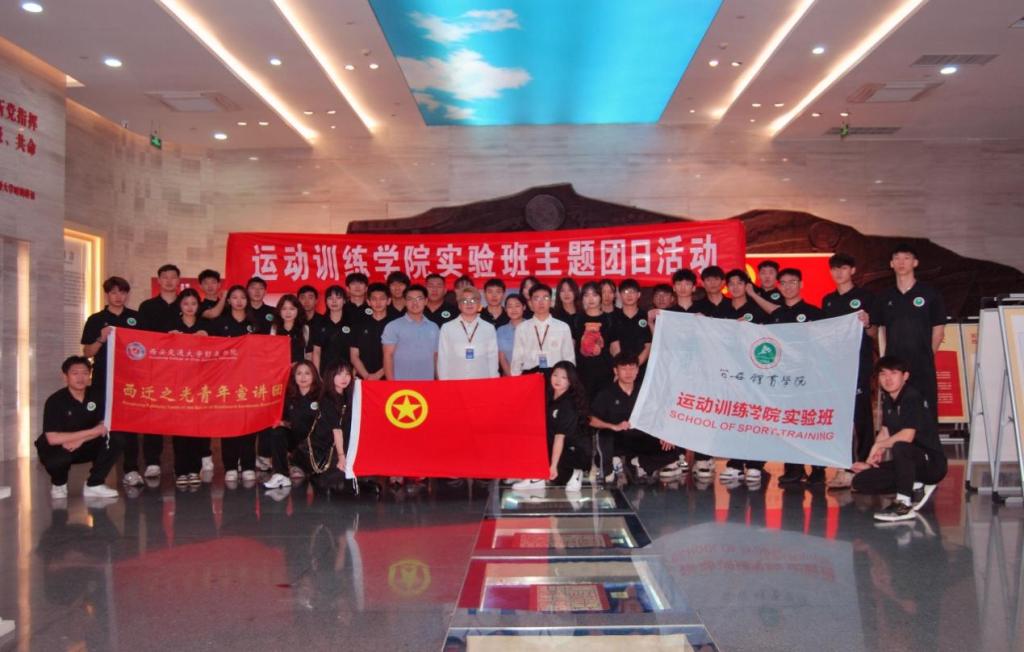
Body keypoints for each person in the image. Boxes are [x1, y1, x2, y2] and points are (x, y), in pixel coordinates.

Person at [852, 356, 948, 522]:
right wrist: (870, 461)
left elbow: (907, 436)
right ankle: (916, 485)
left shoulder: (912, 397)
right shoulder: (889, 399)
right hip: (908, 462)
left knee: (901, 446)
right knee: (861, 481)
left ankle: (904, 504)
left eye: (894, 373)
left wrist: (878, 446)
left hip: (931, 464)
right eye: (883, 374)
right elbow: (885, 431)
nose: (888, 379)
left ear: (905, 376)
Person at [870, 243, 946, 419]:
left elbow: (938, 330)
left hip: (922, 365)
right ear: (891, 264)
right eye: (897, 258)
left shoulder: (930, 293)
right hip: (894, 367)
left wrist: (927, 356)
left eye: (906, 258)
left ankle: (927, 439)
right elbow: (874, 331)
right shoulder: (884, 296)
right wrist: (867, 324)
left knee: (925, 412)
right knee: (896, 415)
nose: (901, 262)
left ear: (915, 263)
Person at [822, 253, 877, 490]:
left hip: (858, 365)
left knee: (861, 416)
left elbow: (874, 333)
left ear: (852, 270)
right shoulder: (828, 300)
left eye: (843, 268)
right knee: (839, 417)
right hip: (835, 367)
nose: (839, 273)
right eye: (834, 269)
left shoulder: (866, 297)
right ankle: (843, 465)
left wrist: (868, 323)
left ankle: (864, 465)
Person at [80, 277, 142, 484]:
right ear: (107, 294)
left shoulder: (136, 318)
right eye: (114, 292)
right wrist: (101, 338)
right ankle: (99, 473)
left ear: (127, 294)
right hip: (103, 381)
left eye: (122, 292)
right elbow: (87, 352)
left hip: (131, 381)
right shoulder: (96, 319)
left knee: (131, 426)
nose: (118, 297)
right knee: (103, 424)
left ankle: (131, 470)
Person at [770, 268, 827, 486]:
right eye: (783, 283)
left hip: (810, 378)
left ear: (801, 284)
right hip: (785, 379)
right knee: (789, 422)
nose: (787, 286)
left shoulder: (814, 313)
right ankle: (793, 468)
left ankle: (818, 468)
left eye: (792, 282)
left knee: (811, 422)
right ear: (778, 286)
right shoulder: (776, 316)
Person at [37, 356, 121, 500]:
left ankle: (94, 484)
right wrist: (90, 432)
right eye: (75, 373)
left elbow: (106, 423)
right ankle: (59, 484)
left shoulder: (97, 395)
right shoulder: (55, 401)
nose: (81, 378)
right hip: (61, 446)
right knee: (57, 459)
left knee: (117, 438)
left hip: (87, 444)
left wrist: (81, 439)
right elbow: (52, 438)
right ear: (65, 377)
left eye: (85, 373)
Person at [591, 353, 682, 483]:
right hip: (617, 438)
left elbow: (659, 414)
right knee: (605, 436)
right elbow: (591, 419)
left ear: (637, 370)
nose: (628, 372)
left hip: (641, 437)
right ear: (616, 371)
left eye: (632, 368)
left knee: (673, 446)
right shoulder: (606, 393)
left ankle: (638, 462)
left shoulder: (645, 391)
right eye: (624, 368)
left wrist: (665, 433)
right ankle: (610, 467)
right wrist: (613, 426)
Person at [716, 270, 768, 484]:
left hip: (754, 372)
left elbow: (769, 339)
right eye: (732, 283)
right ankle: (736, 462)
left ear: (747, 285)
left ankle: (755, 463)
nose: (735, 287)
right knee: (734, 417)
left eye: (740, 283)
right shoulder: (722, 310)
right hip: (729, 372)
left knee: (755, 417)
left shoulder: (758, 310)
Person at [512, 361, 591, 492]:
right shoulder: (549, 394)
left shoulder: (568, 405)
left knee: (555, 471)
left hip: (573, 449)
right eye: (555, 375)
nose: (558, 380)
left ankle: (574, 473)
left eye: (564, 377)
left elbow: (560, 437)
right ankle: (537, 477)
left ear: (570, 381)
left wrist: (553, 466)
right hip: (553, 442)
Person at [134, 264, 181, 479]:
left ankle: (184, 463)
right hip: (155, 369)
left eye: (173, 277)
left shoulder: (187, 304)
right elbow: (141, 338)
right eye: (165, 277)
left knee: (182, 414)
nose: (169, 281)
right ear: (159, 280)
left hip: (181, 371)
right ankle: (152, 461)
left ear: (178, 281)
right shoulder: (147, 307)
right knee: (154, 415)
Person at [212, 285, 259, 484]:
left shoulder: (254, 324)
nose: (239, 301)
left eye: (242, 297)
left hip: (249, 380)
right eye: (234, 297)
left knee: (249, 423)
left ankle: (248, 465)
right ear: (228, 300)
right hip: (226, 381)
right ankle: (230, 466)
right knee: (228, 424)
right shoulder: (220, 323)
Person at [169, 289, 213, 486]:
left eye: (193, 303)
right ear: (180, 305)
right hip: (178, 384)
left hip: (201, 384)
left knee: (197, 428)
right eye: (186, 303)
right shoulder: (172, 325)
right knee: (179, 428)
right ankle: (180, 470)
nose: (189, 307)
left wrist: (207, 338)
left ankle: (195, 469)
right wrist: (168, 339)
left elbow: (219, 352)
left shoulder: (206, 326)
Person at [264, 361, 323, 489]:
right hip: (295, 439)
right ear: (294, 376)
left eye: (307, 373)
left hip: (315, 443)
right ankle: (281, 474)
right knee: (277, 431)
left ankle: (303, 465)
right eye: (299, 373)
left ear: (314, 375)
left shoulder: (321, 395)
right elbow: (285, 419)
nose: (303, 377)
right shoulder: (289, 395)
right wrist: (282, 423)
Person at [298, 362, 355, 492]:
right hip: (323, 448)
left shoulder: (348, 395)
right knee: (336, 477)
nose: (344, 378)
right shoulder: (327, 399)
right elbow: (337, 430)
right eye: (339, 374)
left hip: (340, 444)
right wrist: (341, 456)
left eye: (347, 374)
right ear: (331, 376)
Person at [510, 284, 575, 376]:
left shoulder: (563, 327)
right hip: (530, 375)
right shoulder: (522, 328)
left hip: (556, 377)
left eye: (545, 298)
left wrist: (568, 379)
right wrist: (516, 380)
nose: (541, 302)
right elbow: (517, 359)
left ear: (551, 302)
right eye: (536, 298)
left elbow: (569, 359)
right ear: (530, 303)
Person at [437, 287, 499, 379]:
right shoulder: (447, 328)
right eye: (465, 301)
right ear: (459, 305)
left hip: (482, 380)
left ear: (479, 304)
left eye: (473, 300)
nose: (469, 304)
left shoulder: (489, 328)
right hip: (455, 381)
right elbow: (443, 359)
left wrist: (494, 381)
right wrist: (444, 383)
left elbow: (492, 358)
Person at [382, 284, 439, 380]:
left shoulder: (434, 327)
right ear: (405, 302)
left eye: (419, 299)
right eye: (410, 299)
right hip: (401, 384)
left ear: (426, 301)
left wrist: (439, 380)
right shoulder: (393, 326)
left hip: (427, 382)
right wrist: (391, 384)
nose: (415, 303)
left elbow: (435, 357)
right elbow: (388, 356)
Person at [572, 281, 617, 398]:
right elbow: (571, 346)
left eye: (595, 295)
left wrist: (618, 369)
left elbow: (615, 348)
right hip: (582, 373)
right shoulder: (576, 319)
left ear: (600, 297)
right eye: (586, 295)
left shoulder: (609, 320)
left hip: (605, 372)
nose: (590, 299)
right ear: (582, 298)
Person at [350, 283, 394, 380]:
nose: (378, 302)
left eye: (382, 298)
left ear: (388, 301)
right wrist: (366, 376)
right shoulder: (359, 324)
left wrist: (378, 375)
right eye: (374, 299)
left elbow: (398, 355)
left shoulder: (396, 325)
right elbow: (354, 356)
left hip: (389, 377)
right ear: (368, 302)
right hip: (363, 378)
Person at [609, 279, 652, 367]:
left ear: (639, 294)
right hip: (621, 367)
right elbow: (614, 345)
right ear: (619, 295)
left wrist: (634, 366)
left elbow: (648, 346)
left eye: (632, 291)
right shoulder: (613, 317)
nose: (629, 295)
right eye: (625, 292)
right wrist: (624, 367)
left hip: (642, 367)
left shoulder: (646, 316)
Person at [311, 285, 352, 376]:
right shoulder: (319, 323)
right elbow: (316, 351)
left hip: (346, 373)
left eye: (338, 298)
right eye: (330, 298)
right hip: (325, 373)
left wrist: (353, 373)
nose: (334, 301)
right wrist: (317, 375)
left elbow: (355, 352)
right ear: (326, 301)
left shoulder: (352, 323)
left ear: (344, 300)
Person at [271, 294, 309, 364]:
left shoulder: (305, 329)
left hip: (299, 369)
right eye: (284, 309)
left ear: (298, 310)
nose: (288, 312)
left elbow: (308, 354)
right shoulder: (273, 329)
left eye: (292, 309)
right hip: (279, 368)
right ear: (279, 311)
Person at [497, 294, 526, 376]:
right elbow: (502, 358)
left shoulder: (533, 327)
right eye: (510, 306)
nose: (514, 310)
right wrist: (512, 376)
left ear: (524, 307)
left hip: (531, 376)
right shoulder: (501, 330)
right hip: (508, 376)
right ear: (505, 309)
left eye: (517, 306)